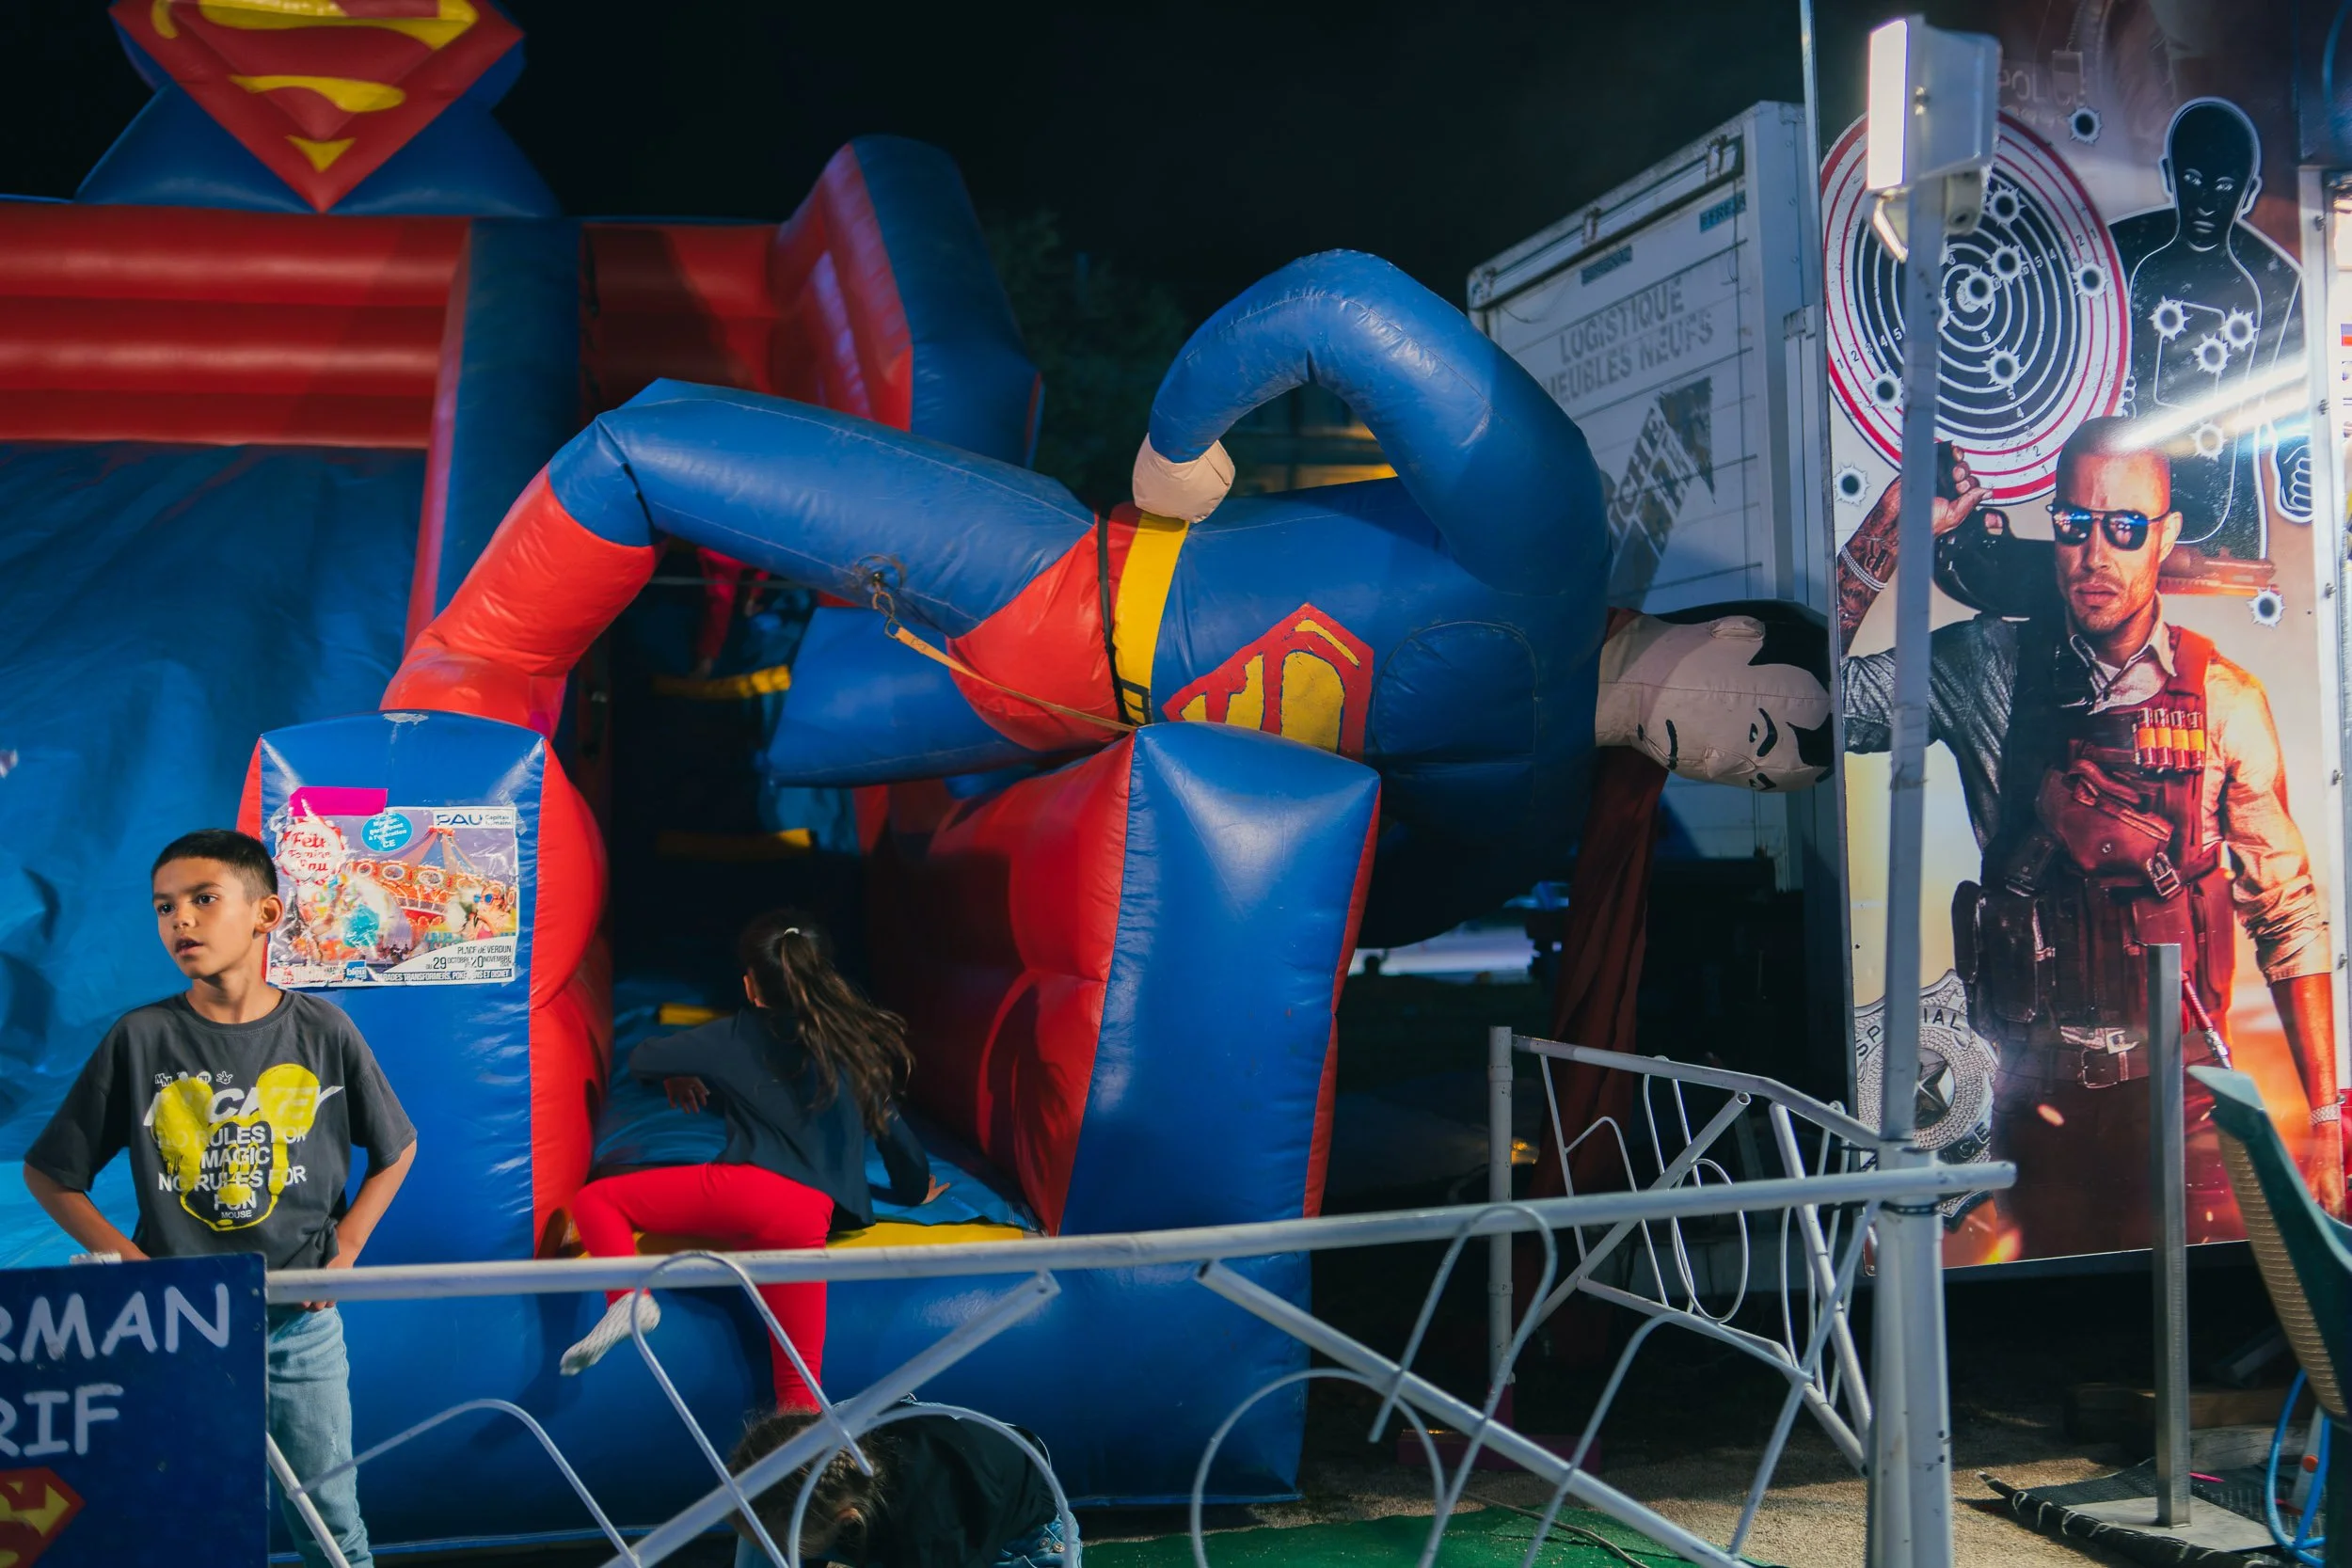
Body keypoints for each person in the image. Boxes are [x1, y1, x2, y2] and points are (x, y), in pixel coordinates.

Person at [1836, 419, 2341, 1255]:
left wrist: (2325, 1117)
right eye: (2074, 525)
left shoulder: (2223, 698)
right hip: (2036, 1109)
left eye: (2125, 527)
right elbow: (1820, 706)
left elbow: (2286, 913)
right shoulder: (1985, 666)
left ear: (2164, 537)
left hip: (2184, 1106)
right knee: (2052, 1350)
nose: (2096, 553)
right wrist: (1892, 529)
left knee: (2196, 1342)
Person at [22, 829, 419, 1568]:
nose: (182, 920)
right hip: (178, 1329)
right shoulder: (140, 1038)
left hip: (297, 1324)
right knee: (178, 1509)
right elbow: (51, 1172)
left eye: (204, 899)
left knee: (329, 1513)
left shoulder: (322, 1030)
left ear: (266, 914)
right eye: (165, 906)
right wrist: (138, 1265)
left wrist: (351, 1246)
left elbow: (397, 1148)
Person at [559, 909, 935, 1409]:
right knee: (799, 1394)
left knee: (597, 1201)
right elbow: (897, 1138)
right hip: (808, 1221)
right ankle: (799, 1479)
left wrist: (678, 1072)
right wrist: (915, 1190)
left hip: (744, 1193)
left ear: (752, 988)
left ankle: (629, 1300)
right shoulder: (853, 1045)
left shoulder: (735, 1033)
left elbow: (644, 1056)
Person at [726, 1402, 1068, 1568]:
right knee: (767, 1530)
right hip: (950, 1463)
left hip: (1024, 1535)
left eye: (785, 1548)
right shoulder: (831, 1443)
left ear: (847, 1519)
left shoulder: (929, 1538)